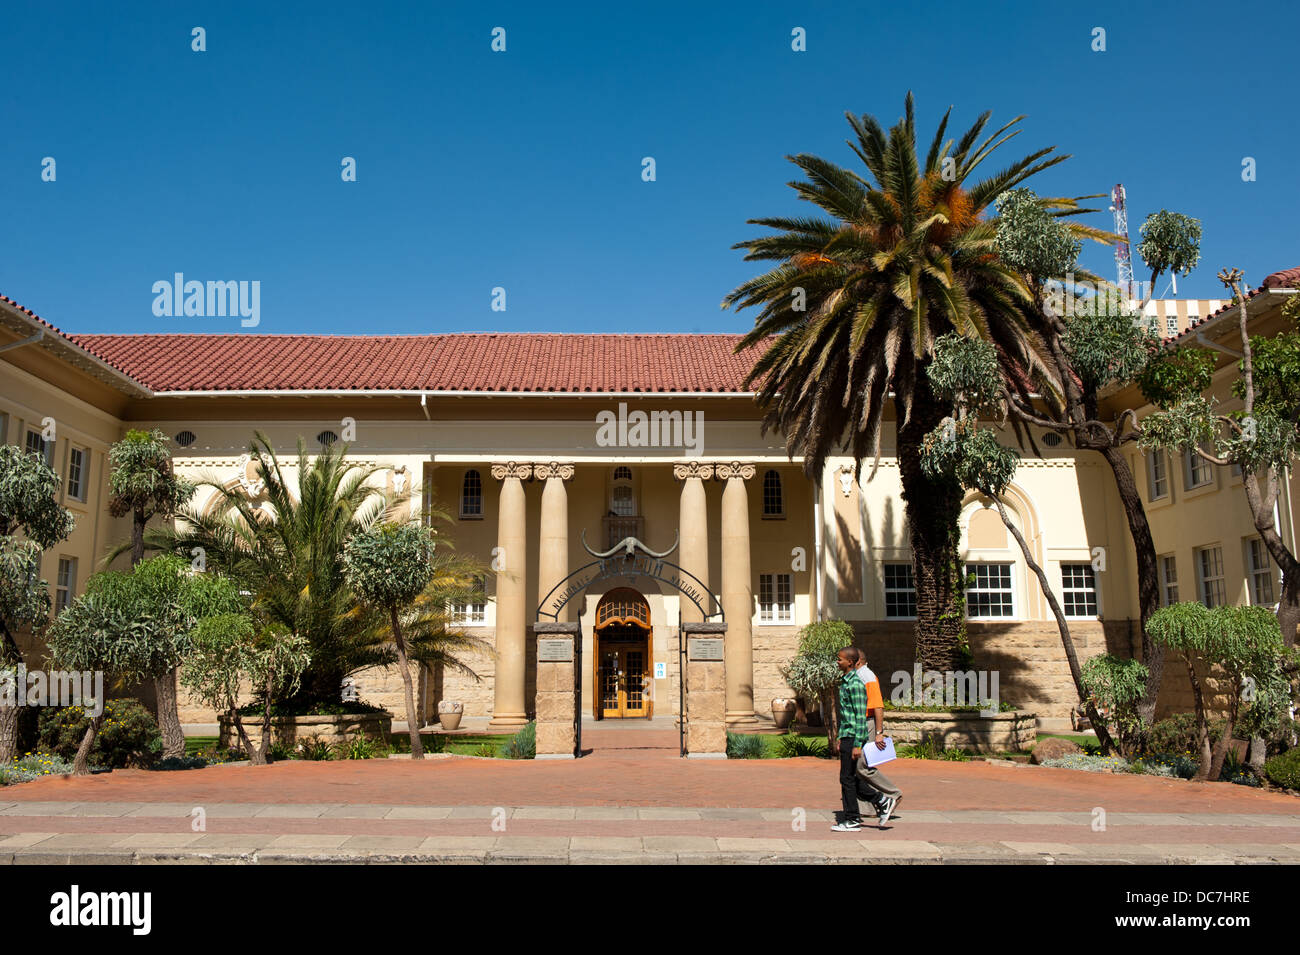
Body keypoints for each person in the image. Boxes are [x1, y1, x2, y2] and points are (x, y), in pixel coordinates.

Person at [848, 647, 902, 825]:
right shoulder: (859, 675)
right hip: (861, 724)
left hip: (868, 723)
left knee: (863, 766)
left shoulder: (867, 676)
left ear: (857, 661)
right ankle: (870, 807)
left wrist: (879, 732)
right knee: (860, 766)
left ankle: (892, 793)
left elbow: (878, 706)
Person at [830, 647, 871, 832]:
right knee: (849, 778)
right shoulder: (845, 682)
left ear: (850, 662)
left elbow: (860, 716)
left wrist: (857, 745)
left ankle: (852, 819)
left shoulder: (855, 684)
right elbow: (846, 716)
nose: (837, 662)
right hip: (846, 735)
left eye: (840, 660)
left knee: (847, 778)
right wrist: (840, 737)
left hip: (854, 737)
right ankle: (881, 800)